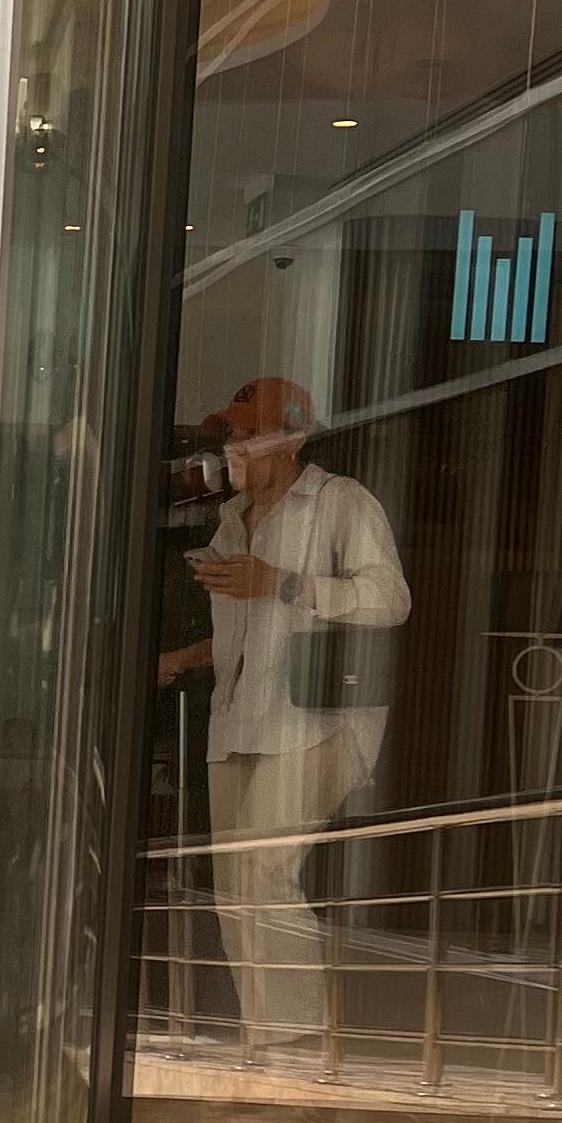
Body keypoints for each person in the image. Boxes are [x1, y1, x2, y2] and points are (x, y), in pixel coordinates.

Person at [157, 375, 409, 1062]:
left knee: (265, 870)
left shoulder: (340, 502)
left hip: (317, 723)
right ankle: (268, 1035)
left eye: (249, 436)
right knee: (234, 885)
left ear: (293, 439)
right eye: (232, 437)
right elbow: (250, 634)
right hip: (239, 719)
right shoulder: (232, 519)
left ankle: (298, 1038)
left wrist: (283, 583)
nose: (235, 449)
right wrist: (179, 658)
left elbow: (390, 600)